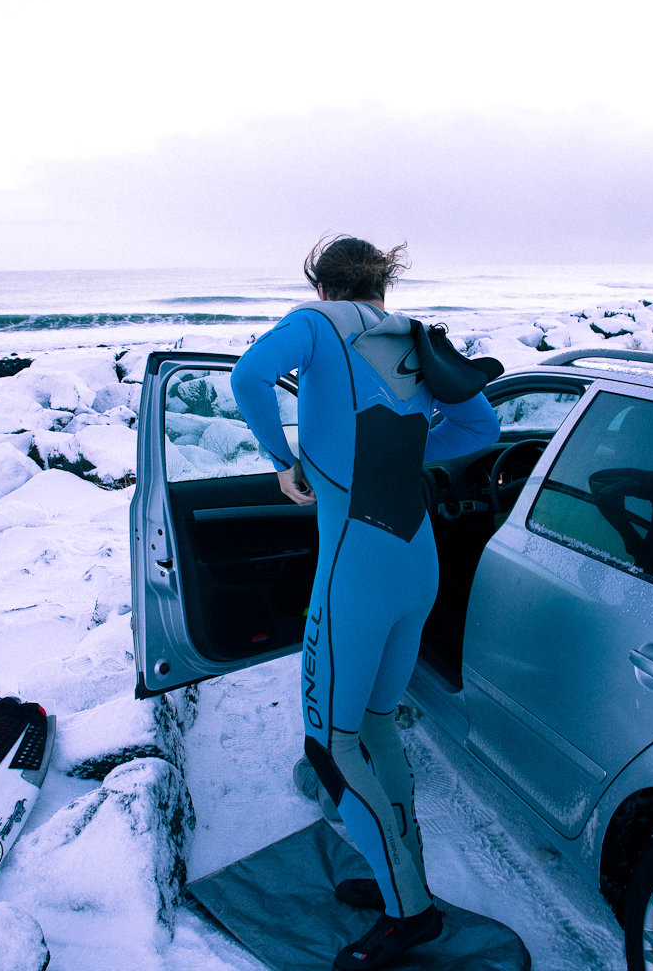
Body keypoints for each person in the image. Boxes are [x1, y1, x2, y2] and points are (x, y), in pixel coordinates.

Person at [230, 236, 500, 970]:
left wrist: (283, 462)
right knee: (377, 729)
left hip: (355, 569)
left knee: (329, 744)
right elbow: (482, 428)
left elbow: (248, 379)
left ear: (320, 282)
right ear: (385, 280)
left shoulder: (316, 325)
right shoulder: (414, 341)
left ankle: (409, 914)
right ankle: (401, 886)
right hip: (417, 563)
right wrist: (406, 455)